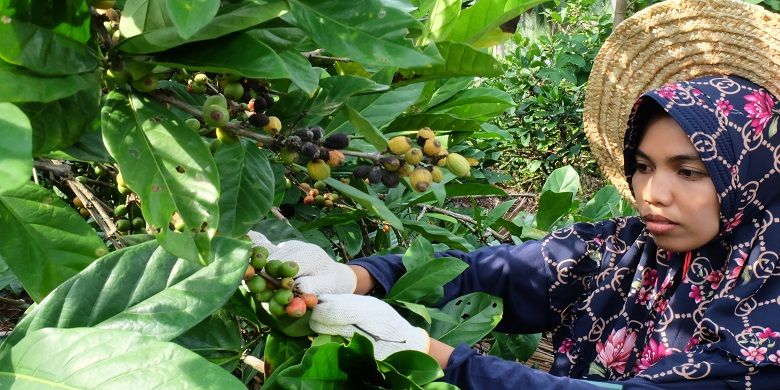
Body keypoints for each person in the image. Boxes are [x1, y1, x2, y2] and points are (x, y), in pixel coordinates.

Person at [250, 0, 780, 388]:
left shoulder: (768, 309)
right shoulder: (626, 250)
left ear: (751, 177)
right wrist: (360, 277)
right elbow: (495, 273)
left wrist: (428, 354)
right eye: (642, 167)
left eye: (690, 172)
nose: (652, 194)